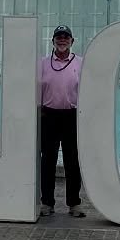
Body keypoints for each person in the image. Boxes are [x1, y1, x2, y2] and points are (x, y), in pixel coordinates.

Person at [38, 24, 84, 217]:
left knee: (73, 161)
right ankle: (47, 203)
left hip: (71, 117)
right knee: (47, 161)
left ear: (72, 41)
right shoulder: (42, 63)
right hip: (48, 116)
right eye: (59, 37)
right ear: (53, 41)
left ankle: (74, 203)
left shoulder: (81, 63)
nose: (62, 40)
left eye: (66, 37)